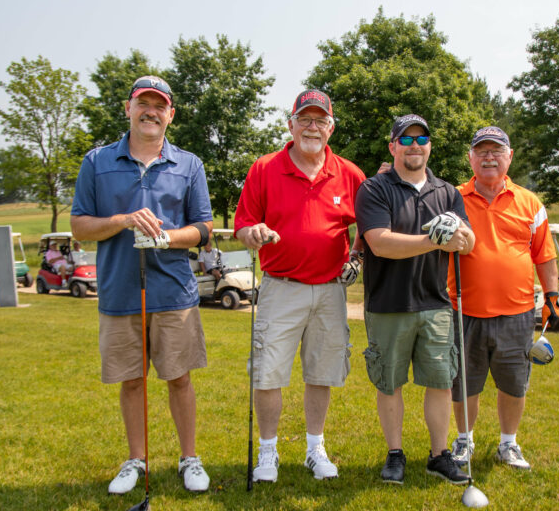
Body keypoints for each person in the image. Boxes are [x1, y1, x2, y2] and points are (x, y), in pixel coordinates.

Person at [70, 75, 214, 494]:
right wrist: (122, 220)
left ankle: (189, 458)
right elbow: (80, 226)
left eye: (159, 106)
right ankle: (136, 460)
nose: (151, 112)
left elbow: (204, 229)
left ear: (171, 114)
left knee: (179, 378)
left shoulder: (189, 164)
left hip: (174, 292)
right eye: (143, 103)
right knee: (131, 380)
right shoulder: (97, 162)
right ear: (129, 109)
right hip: (120, 291)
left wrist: (167, 237)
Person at [234, 89, 366, 483]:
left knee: (322, 373)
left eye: (320, 120)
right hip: (280, 287)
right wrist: (252, 233)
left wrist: (356, 256)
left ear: (331, 128)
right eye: (304, 119)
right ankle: (268, 451)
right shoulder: (264, 168)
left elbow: (369, 223)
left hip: (330, 290)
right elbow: (243, 225)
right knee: (267, 373)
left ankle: (314, 448)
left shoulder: (349, 173)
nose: (312, 127)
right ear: (290, 125)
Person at [356, 114, 475, 485]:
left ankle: (439, 455)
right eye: (405, 140)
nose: (414, 146)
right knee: (389, 383)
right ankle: (395, 453)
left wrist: (461, 237)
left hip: (435, 304)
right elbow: (380, 242)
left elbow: (468, 242)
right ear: (393, 146)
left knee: (440, 381)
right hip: (388, 304)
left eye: (421, 139)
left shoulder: (447, 193)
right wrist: (434, 240)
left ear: (429, 146)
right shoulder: (374, 189)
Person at [448, 126, 559, 472]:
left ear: (509, 157)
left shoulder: (530, 202)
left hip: (518, 312)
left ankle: (508, 443)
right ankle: (464, 439)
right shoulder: (452, 198)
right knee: (464, 383)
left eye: (496, 151)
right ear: (471, 158)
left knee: (514, 383)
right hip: (464, 310)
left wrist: (552, 295)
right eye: (482, 151)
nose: (489, 158)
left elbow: (544, 255)